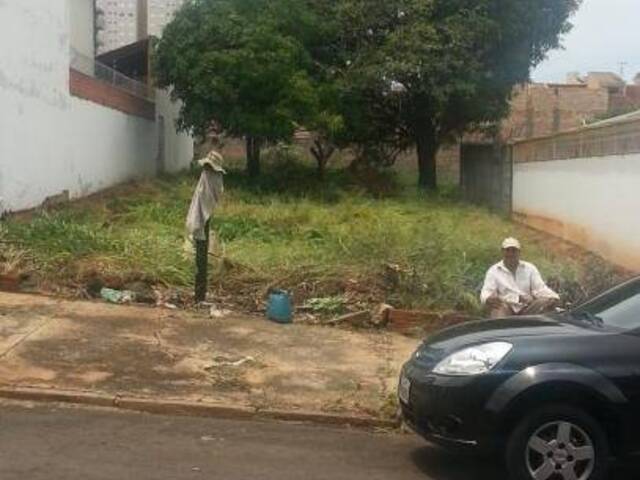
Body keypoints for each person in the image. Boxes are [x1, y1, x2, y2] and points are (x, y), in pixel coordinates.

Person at [480, 238, 560, 319]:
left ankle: (539, 330)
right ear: (502, 251)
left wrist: (553, 297)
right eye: (507, 250)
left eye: (514, 250)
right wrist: (488, 298)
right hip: (506, 308)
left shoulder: (530, 268)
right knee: (497, 308)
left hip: (528, 308)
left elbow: (539, 288)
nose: (510, 254)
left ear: (519, 252)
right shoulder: (494, 271)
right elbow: (486, 292)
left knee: (545, 302)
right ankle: (501, 330)